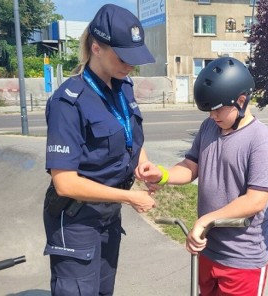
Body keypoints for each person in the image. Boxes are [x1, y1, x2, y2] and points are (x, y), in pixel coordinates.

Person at [136, 57, 268, 296]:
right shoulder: (209, 128)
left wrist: (205, 221)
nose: (212, 116)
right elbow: (191, 166)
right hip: (208, 249)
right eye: (208, 111)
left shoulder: (262, 141)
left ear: (241, 101)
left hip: (242, 258)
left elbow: (256, 200)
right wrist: (161, 175)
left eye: (217, 109)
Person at [42, 4, 157, 295]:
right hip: (77, 219)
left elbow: (129, 137)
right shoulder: (68, 101)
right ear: (96, 48)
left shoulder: (123, 87)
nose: (130, 65)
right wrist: (129, 197)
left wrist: (142, 164)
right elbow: (65, 182)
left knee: (104, 290)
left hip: (108, 215)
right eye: (123, 57)